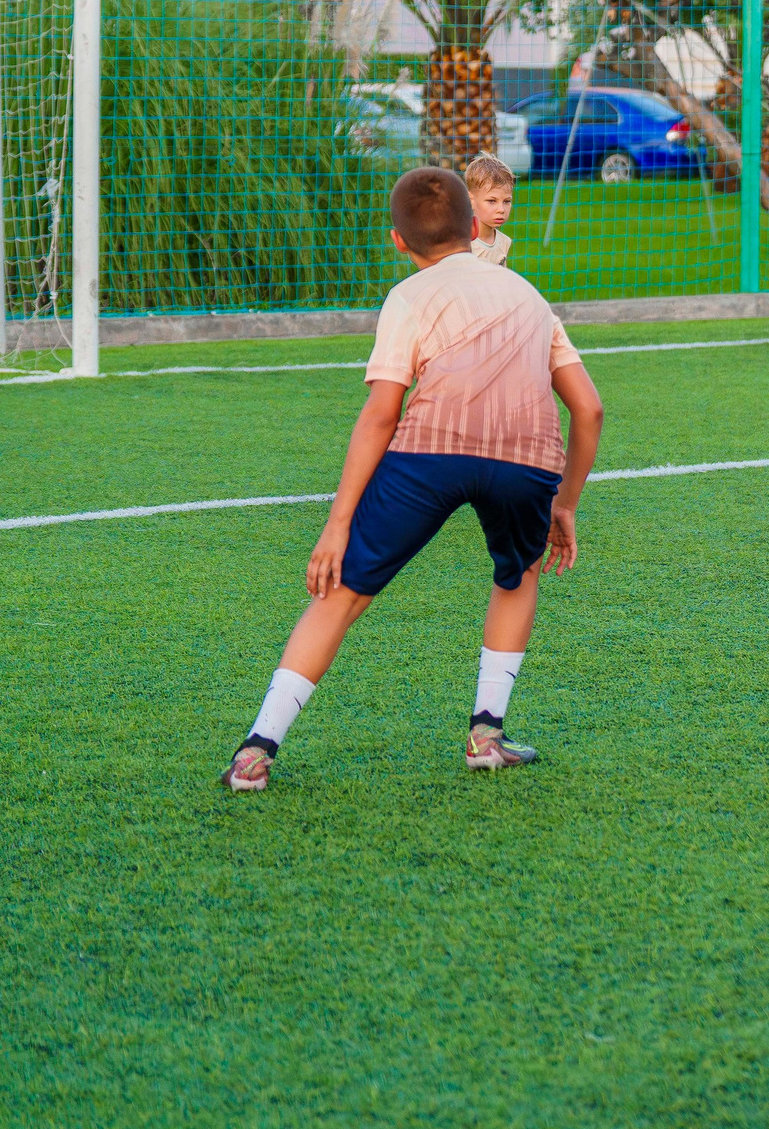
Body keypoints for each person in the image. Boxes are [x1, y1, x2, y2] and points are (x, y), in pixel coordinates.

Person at [223, 167, 603, 792]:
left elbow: (381, 414)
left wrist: (337, 523)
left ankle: (256, 751)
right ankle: (486, 736)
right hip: (527, 463)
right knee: (518, 573)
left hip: (430, 454)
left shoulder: (408, 296)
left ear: (399, 242)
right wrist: (565, 503)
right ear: (473, 225)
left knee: (340, 594)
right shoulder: (529, 295)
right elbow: (588, 409)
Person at [464, 152, 516, 265]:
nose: (501, 209)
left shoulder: (504, 242)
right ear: (471, 200)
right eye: (492, 201)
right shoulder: (460, 246)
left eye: (507, 201)